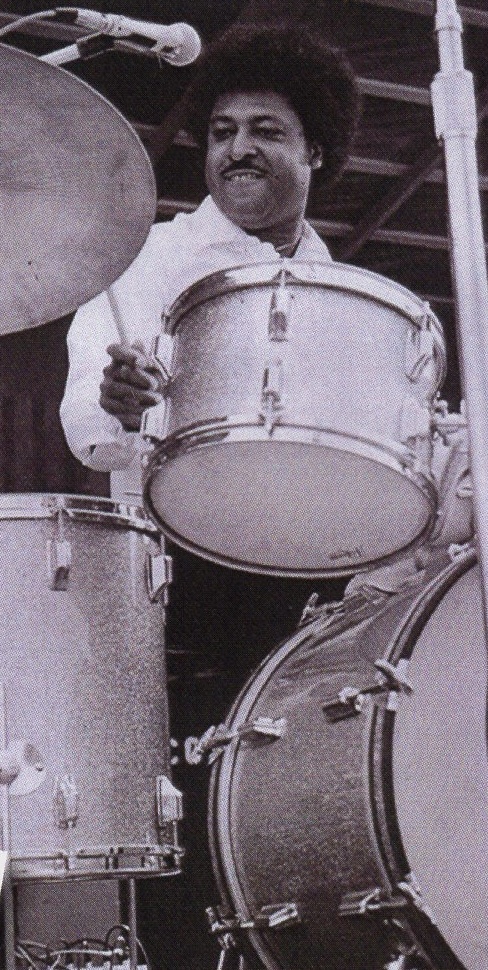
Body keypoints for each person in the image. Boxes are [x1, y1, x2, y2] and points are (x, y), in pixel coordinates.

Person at [59, 26, 360, 970]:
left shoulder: (347, 292)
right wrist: (119, 402)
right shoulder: (146, 259)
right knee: (188, 852)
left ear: (316, 152)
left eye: (266, 130)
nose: (238, 150)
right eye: (223, 131)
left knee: (301, 832)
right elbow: (85, 423)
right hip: (179, 591)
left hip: (305, 594)